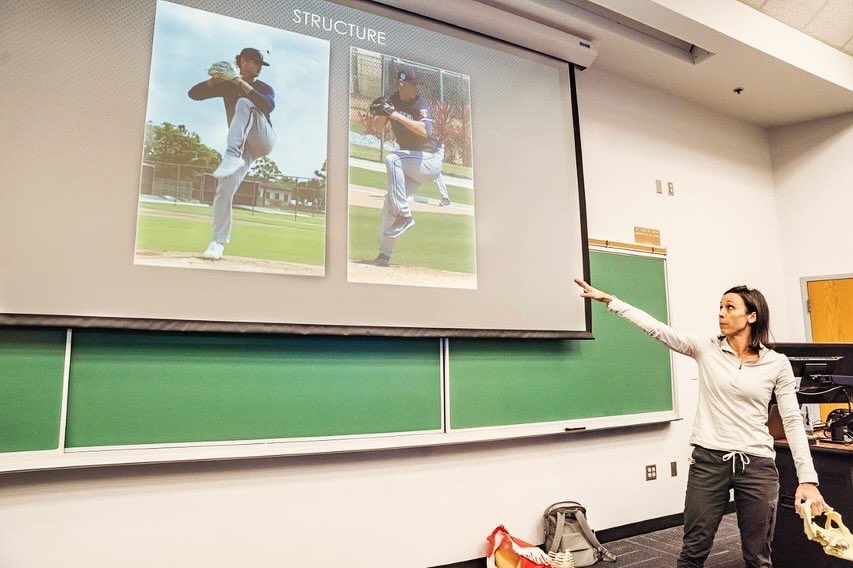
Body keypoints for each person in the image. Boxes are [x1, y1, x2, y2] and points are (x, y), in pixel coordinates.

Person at [573, 279, 825, 568]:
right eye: (719, 307)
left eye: (730, 307)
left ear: (752, 316)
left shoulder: (777, 363)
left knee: (758, 556)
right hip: (709, 462)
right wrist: (611, 301)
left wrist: (807, 479)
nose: (721, 313)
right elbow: (657, 329)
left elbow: (792, 420)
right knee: (693, 551)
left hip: (757, 466)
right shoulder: (706, 349)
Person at [188, 47, 276, 260]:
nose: (259, 68)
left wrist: (238, 82)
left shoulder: (263, 87)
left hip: (263, 139)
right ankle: (217, 243)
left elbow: (268, 106)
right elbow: (194, 94)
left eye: (260, 64)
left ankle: (232, 154)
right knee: (224, 189)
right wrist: (214, 82)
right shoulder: (227, 86)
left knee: (245, 102)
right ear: (243, 61)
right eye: (255, 62)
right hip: (243, 146)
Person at [368, 66, 451, 268]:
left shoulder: (420, 103)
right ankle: (384, 255)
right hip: (412, 163)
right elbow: (377, 128)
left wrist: (394, 115)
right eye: (413, 85)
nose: (416, 88)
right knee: (389, 205)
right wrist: (382, 114)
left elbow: (426, 130)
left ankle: (405, 216)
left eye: (417, 85)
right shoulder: (392, 98)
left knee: (392, 159)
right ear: (402, 84)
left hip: (429, 160)